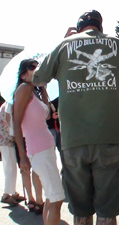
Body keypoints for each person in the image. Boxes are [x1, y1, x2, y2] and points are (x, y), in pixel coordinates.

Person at [33, 10, 119, 225]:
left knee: (81, 208)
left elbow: (38, 77)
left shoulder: (64, 46)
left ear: (78, 28)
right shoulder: (116, 43)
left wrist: (64, 44)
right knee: (108, 210)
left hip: (74, 140)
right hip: (111, 136)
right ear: (100, 27)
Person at [13, 59, 64, 224]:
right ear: (23, 73)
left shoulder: (33, 90)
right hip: (39, 150)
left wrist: (42, 89)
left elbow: (47, 115)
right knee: (56, 198)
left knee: (52, 197)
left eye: (38, 67)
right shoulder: (23, 89)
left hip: (46, 149)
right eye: (32, 67)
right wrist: (22, 156)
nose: (36, 69)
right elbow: (16, 123)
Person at [0, 102, 26, 206]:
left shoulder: (7, 105)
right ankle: (6, 194)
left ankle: (12, 192)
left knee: (10, 167)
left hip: (5, 140)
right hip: (6, 140)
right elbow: (9, 123)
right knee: (10, 168)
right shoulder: (9, 105)